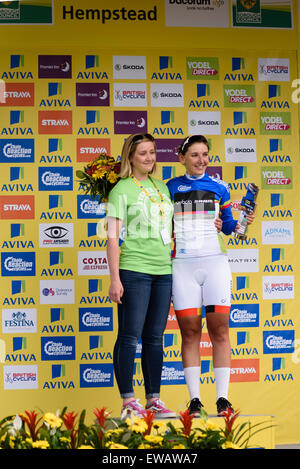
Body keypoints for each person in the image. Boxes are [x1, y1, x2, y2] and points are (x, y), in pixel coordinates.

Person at [166, 135, 255, 417]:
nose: (201, 160)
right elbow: (159, 223)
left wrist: (243, 222)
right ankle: (194, 400)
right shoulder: (169, 188)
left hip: (215, 264)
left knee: (220, 331)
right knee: (190, 333)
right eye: (194, 155)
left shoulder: (220, 187)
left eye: (205, 154)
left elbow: (229, 228)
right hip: (182, 265)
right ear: (182, 157)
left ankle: (223, 399)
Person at [106, 133, 176, 419]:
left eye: (152, 152)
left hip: (164, 271)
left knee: (155, 338)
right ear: (130, 158)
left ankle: (153, 399)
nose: (149, 158)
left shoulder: (162, 187)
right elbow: (111, 238)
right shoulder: (120, 189)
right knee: (129, 336)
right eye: (142, 153)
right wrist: (114, 278)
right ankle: (128, 401)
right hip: (134, 269)